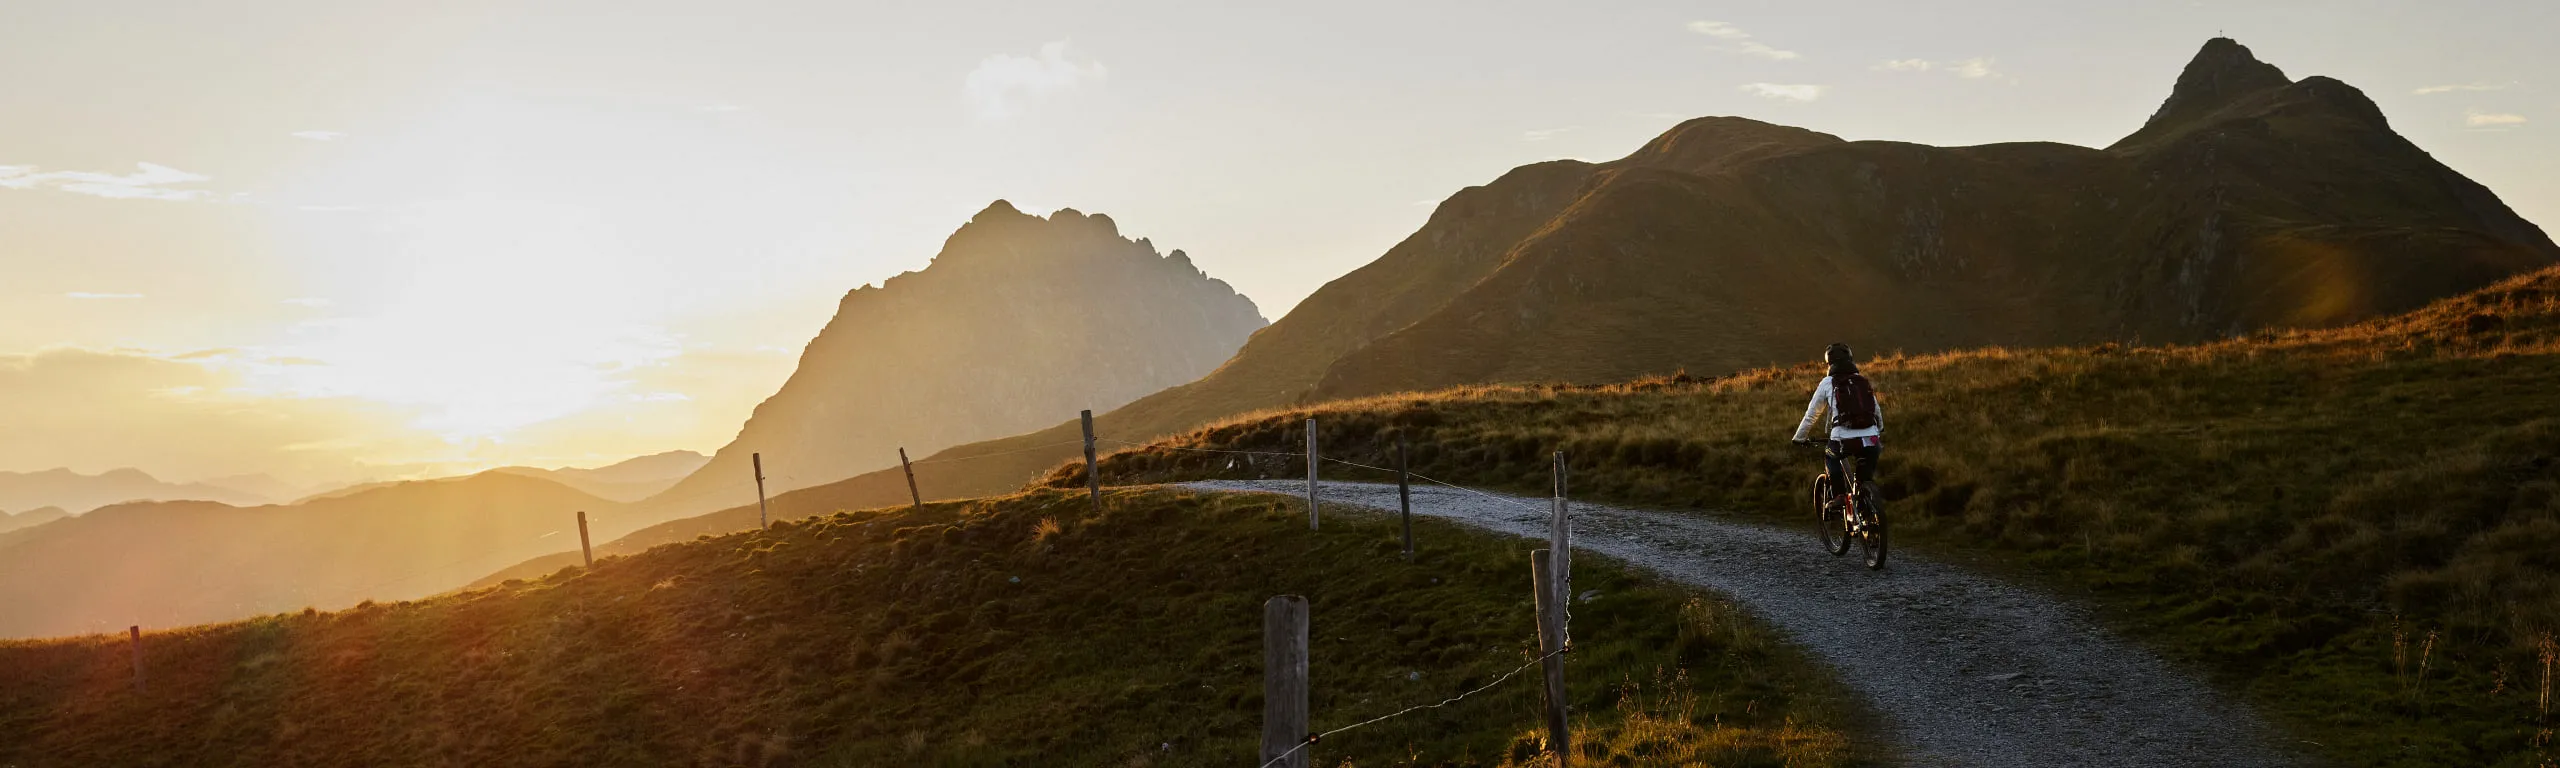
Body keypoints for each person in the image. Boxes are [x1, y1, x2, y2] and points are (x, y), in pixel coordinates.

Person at [1791, 343, 1883, 504]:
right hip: (1872, 439)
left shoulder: (1827, 383)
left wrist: (1799, 438)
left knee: (1831, 456)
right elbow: (1876, 409)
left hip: (1842, 439)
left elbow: (1811, 415)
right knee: (1864, 476)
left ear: (1829, 363)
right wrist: (1879, 429)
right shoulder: (1862, 381)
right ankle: (1866, 504)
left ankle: (1839, 496)